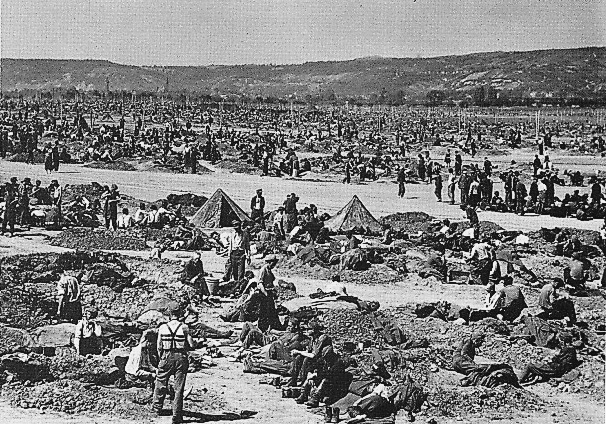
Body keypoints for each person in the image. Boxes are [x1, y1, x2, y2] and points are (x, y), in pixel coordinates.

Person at [152, 305, 196, 424]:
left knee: (160, 382)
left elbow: (159, 346)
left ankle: (157, 408)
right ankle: (177, 415)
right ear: (180, 313)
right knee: (179, 388)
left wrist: (162, 357)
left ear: (169, 314)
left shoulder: (162, 327)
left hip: (166, 356)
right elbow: (192, 345)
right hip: (181, 357)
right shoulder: (184, 327)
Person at [288, 321, 332, 388]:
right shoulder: (312, 338)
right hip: (315, 358)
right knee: (298, 357)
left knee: (306, 359)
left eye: (308, 329)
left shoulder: (322, 338)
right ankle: (293, 379)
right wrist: (298, 352)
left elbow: (313, 355)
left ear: (314, 330)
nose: (306, 331)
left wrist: (299, 352)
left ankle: (303, 381)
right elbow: (309, 351)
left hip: (323, 360)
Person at [257, 255, 281, 331]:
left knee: (271, 310)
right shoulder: (263, 270)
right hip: (264, 293)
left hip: (269, 292)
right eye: (273, 264)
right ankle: (262, 328)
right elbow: (260, 284)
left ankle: (272, 326)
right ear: (269, 262)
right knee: (264, 311)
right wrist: (265, 293)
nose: (274, 265)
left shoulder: (269, 270)